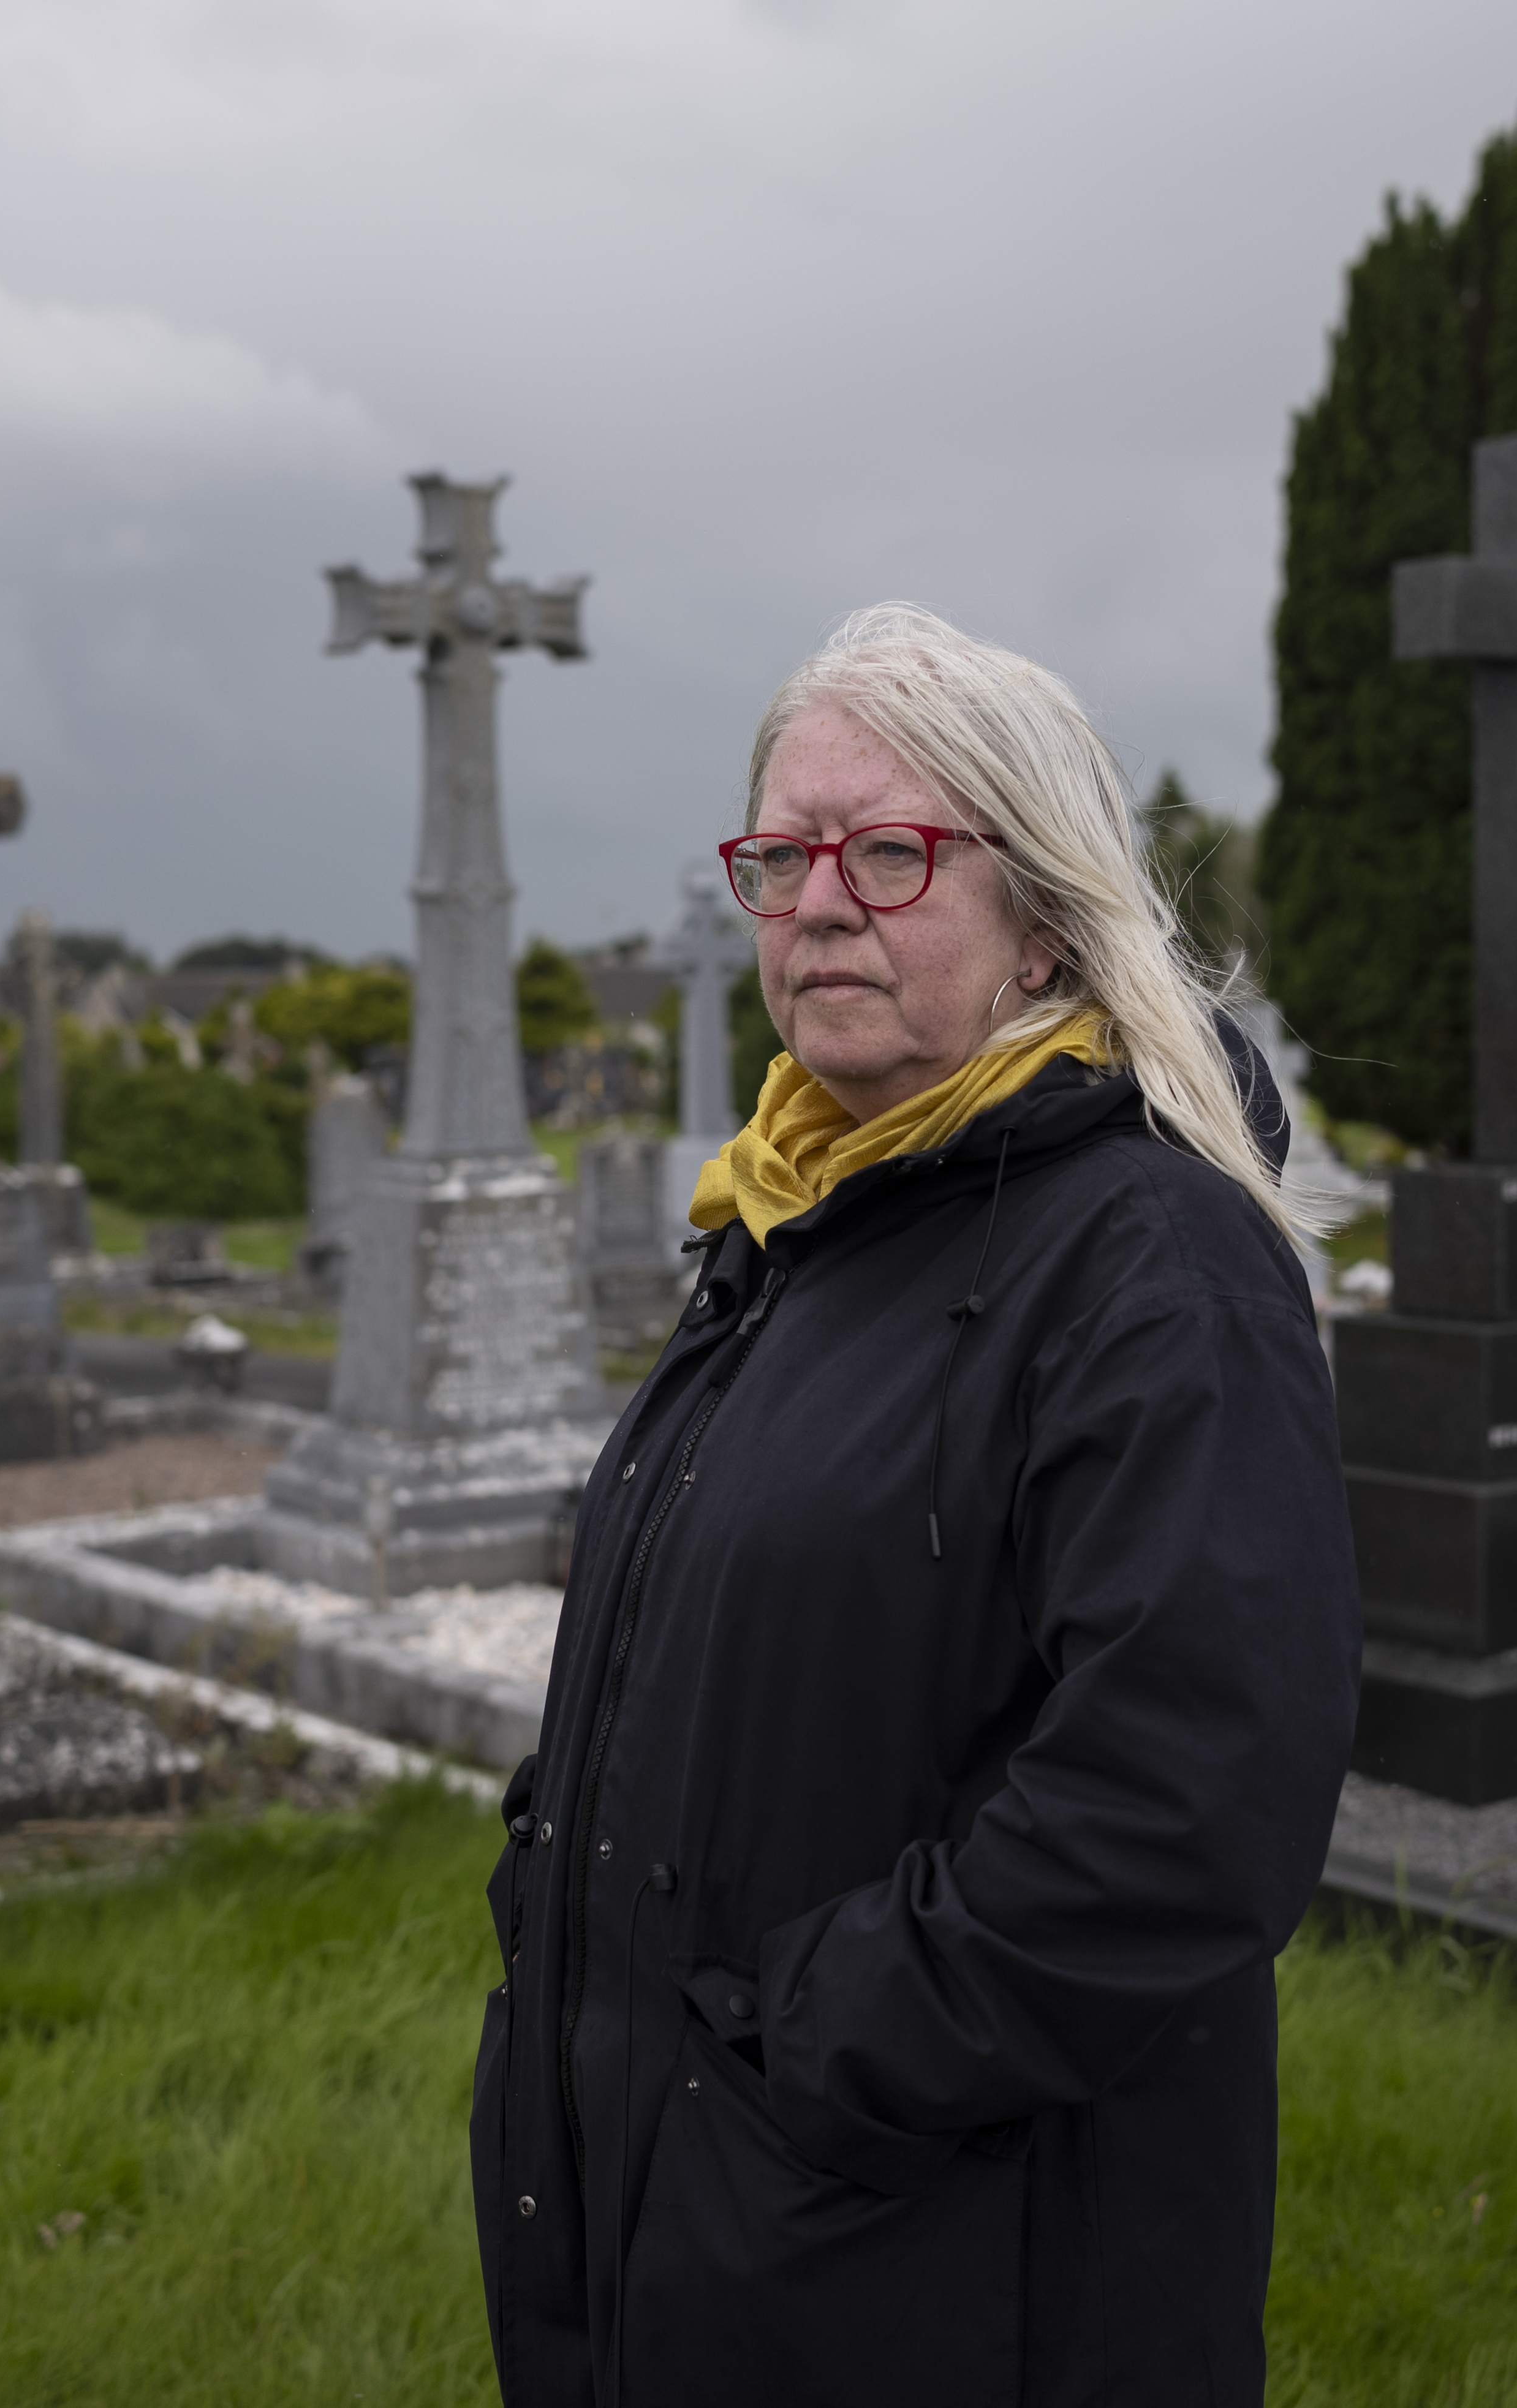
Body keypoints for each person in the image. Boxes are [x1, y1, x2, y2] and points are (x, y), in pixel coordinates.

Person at [474, 605, 1361, 2405]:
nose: (816, 901)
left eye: (889, 852)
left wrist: (794, 2052)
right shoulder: (792, 1222)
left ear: (1041, 916)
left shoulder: (1149, 1261)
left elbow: (1183, 1807)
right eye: (780, 853)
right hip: (675, 2200)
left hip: (939, 2258)